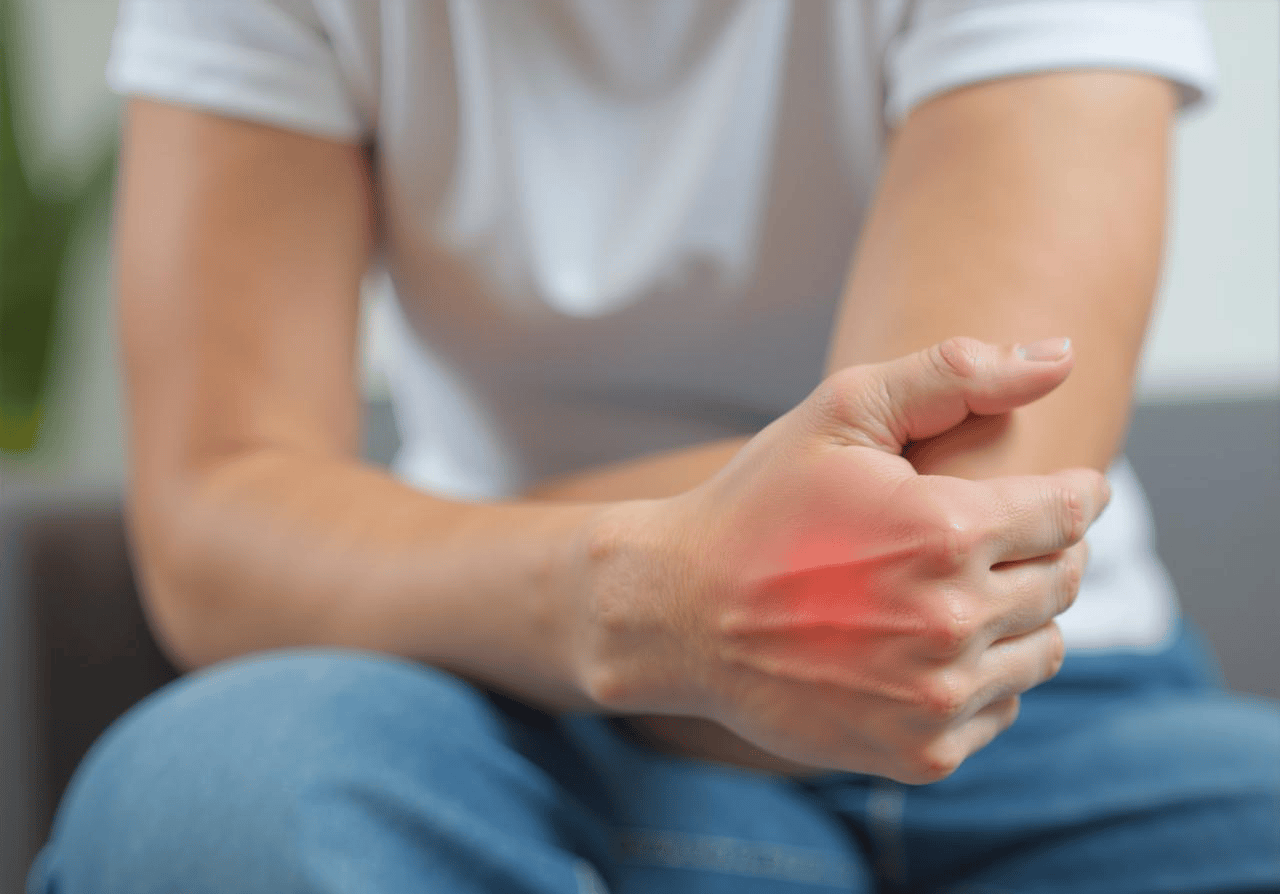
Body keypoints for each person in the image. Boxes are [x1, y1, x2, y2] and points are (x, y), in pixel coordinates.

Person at [29, 1, 1280, 892]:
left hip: (1051, 727)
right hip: (508, 708)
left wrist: (368, 538)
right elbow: (216, 531)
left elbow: (929, 538)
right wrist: (645, 596)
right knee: (205, 802)